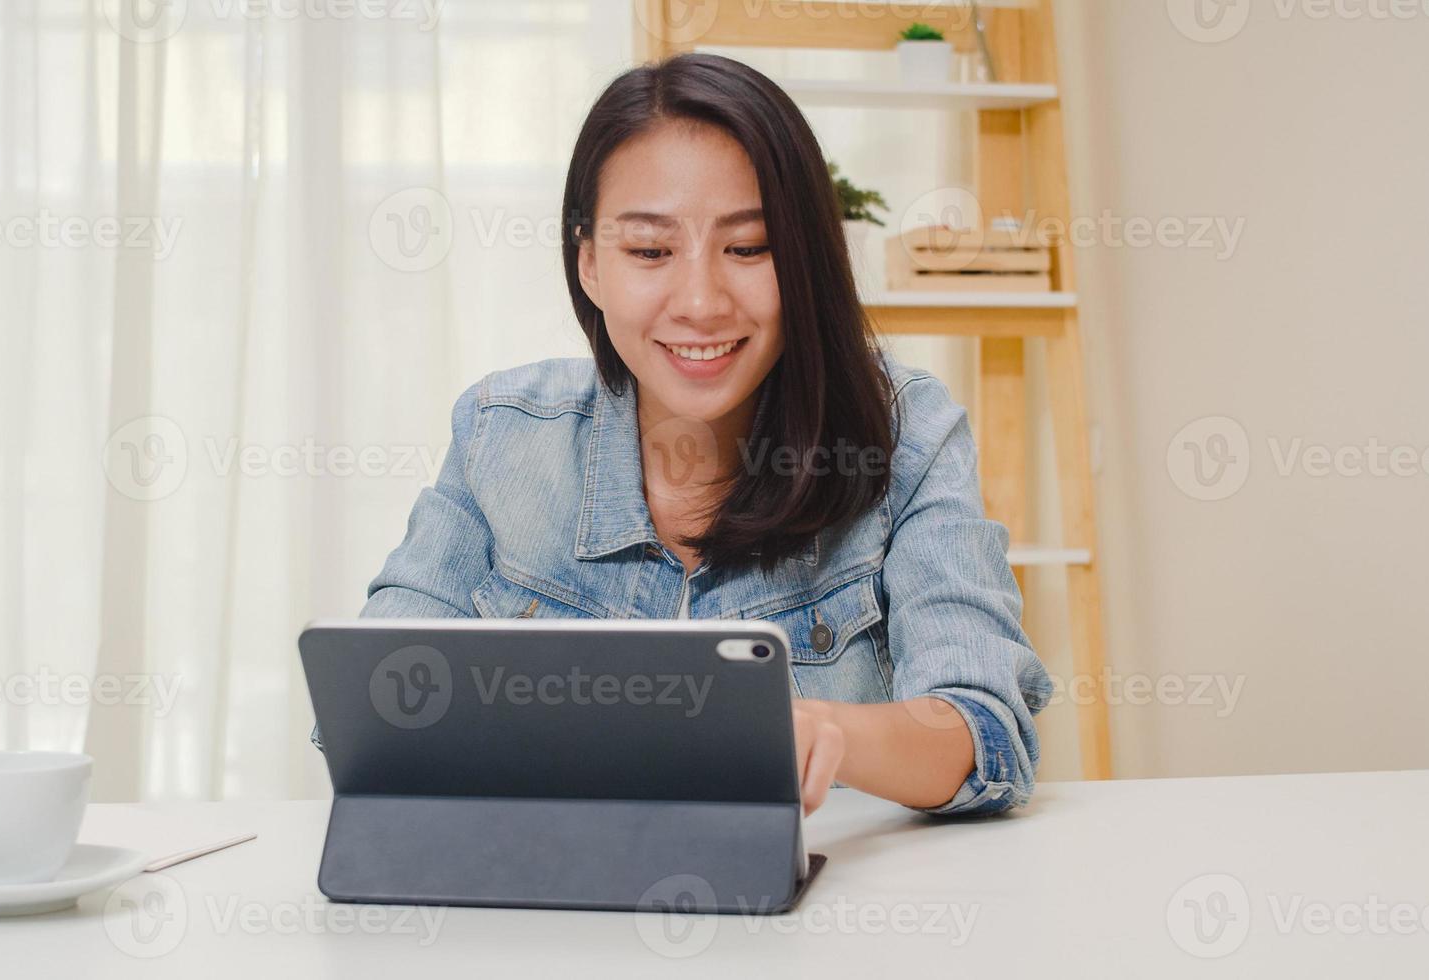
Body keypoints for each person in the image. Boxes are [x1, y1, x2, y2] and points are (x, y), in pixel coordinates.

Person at [332, 52, 1051, 817]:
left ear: (805, 259)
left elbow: (984, 734)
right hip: (547, 915)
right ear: (590, 266)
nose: (702, 302)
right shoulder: (499, 437)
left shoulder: (906, 436)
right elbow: (375, 706)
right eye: (649, 252)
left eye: (748, 248)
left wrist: (819, 731)